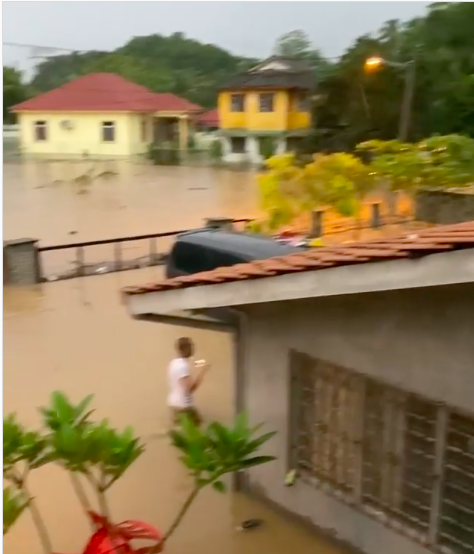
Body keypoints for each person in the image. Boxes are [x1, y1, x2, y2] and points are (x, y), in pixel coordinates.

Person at [168, 337, 209, 427]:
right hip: (183, 406)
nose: (193, 350)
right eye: (191, 347)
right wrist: (202, 372)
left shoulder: (173, 363)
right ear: (185, 349)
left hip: (174, 403)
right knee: (197, 426)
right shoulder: (182, 366)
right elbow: (190, 389)